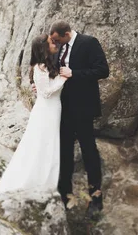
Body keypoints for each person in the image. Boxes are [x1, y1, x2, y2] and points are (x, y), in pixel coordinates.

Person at [0, 33, 68, 208]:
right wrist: (63, 78)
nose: (54, 43)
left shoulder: (47, 65)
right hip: (46, 111)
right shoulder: (40, 66)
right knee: (41, 145)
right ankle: (37, 183)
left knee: (49, 145)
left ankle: (47, 182)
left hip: (53, 109)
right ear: (44, 47)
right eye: (51, 42)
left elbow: (43, 88)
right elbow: (46, 92)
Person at [49, 21, 109, 219]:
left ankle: (96, 199)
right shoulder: (59, 47)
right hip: (63, 110)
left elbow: (103, 71)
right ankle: (65, 196)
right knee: (64, 152)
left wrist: (75, 74)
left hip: (83, 108)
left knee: (89, 151)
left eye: (58, 40)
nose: (55, 44)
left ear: (67, 33)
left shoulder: (89, 43)